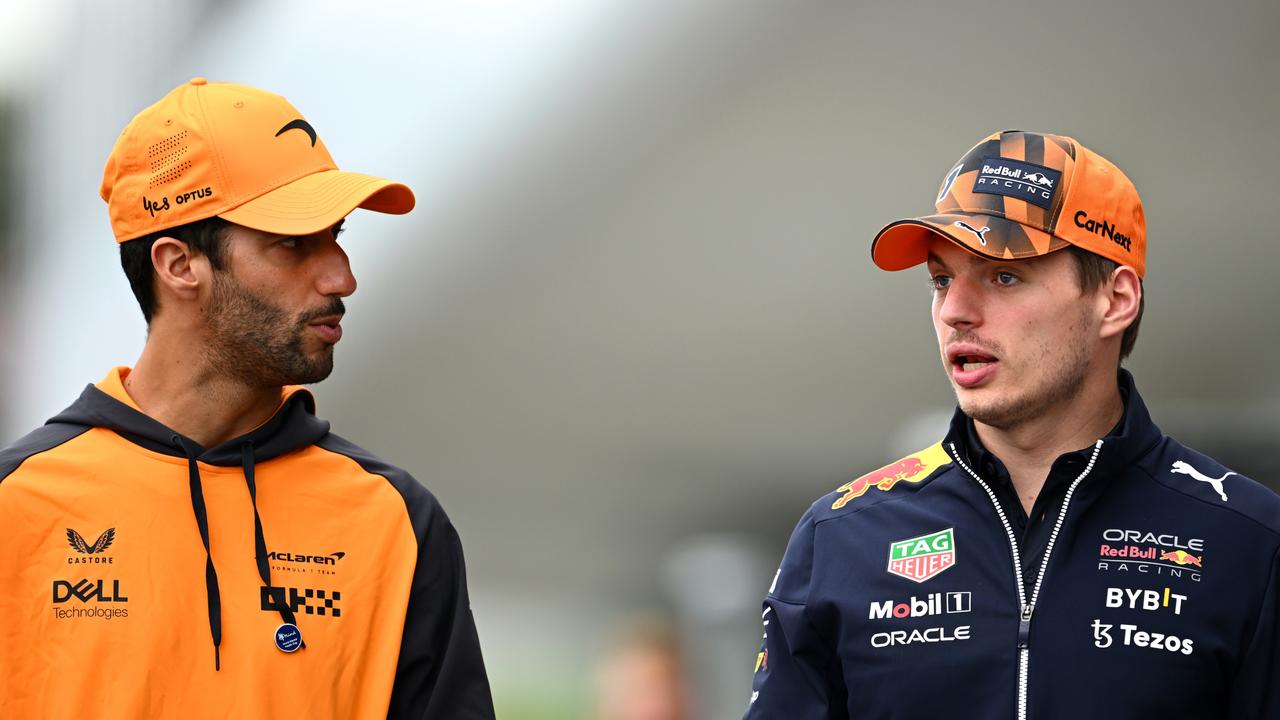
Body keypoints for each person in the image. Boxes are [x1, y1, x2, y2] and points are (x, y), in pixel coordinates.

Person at [0, 78, 495, 719]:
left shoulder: (396, 521)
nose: (342, 276)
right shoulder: (17, 507)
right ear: (179, 265)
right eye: (294, 243)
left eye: (338, 235)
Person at [743, 130, 1280, 718]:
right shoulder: (841, 536)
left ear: (1115, 300)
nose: (954, 312)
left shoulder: (1249, 539)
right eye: (942, 279)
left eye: (1003, 277)